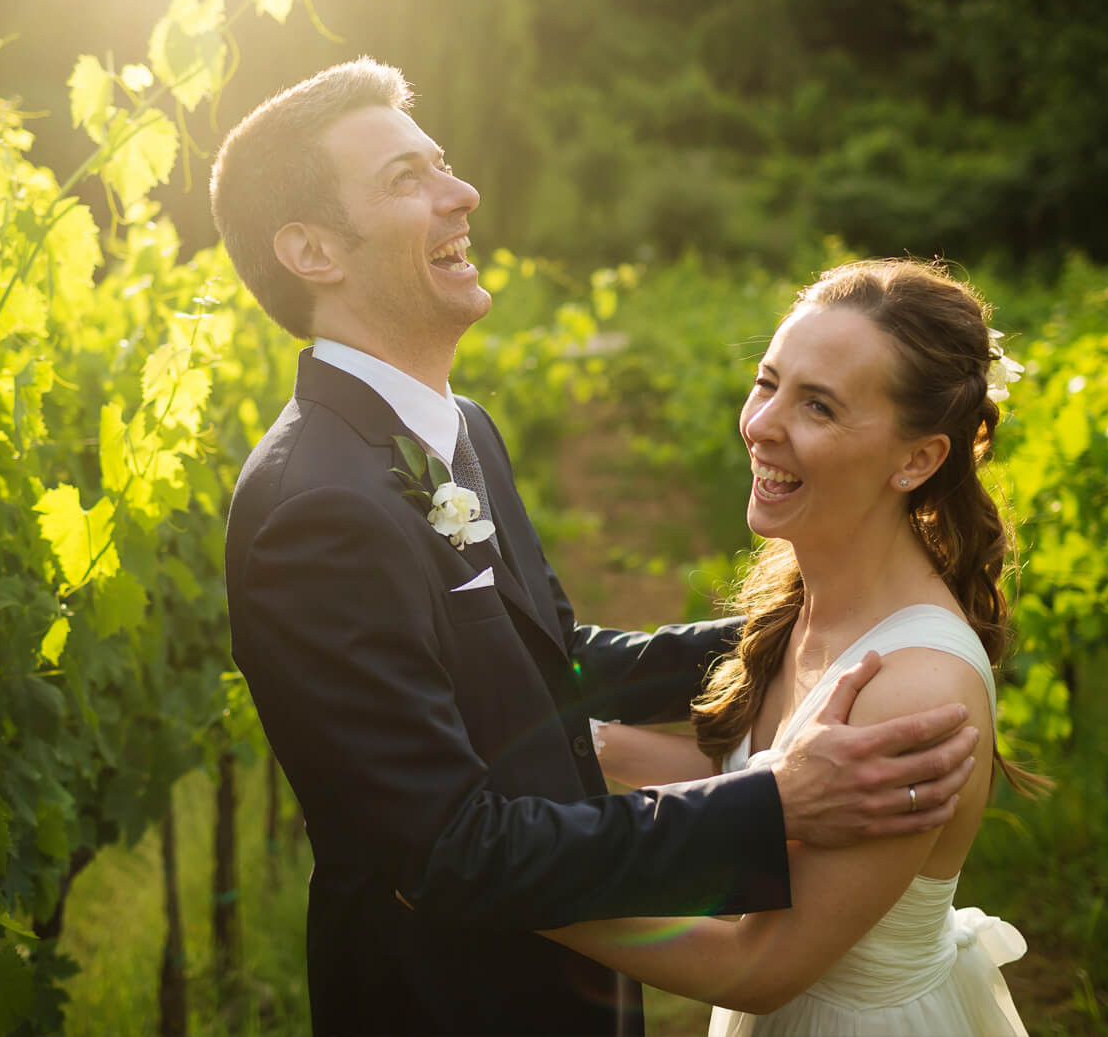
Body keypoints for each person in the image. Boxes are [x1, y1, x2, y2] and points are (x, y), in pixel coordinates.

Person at [210, 58, 980, 1036]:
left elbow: (552, 657)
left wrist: (807, 623)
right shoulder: (313, 506)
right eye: (408, 180)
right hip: (454, 1006)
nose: (463, 194)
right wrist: (767, 804)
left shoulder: (457, 431)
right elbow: (449, 852)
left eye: (441, 165)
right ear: (312, 249)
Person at [542, 259, 1040, 1035]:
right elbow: (765, 779)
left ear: (918, 459)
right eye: (767, 382)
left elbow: (760, 965)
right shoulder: (808, 595)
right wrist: (586, 741)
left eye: (818, 406)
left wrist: (505, 884)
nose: (762, 424)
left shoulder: (916, 690)